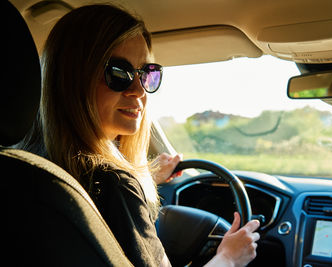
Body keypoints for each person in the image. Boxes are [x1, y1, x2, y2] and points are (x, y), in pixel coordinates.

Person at [19, 4, 260, 267]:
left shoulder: (23, 166)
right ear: (72, 78)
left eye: (146, 73)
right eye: (119, 73)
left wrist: (149, 176)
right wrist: (228, 258)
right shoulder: (113, 185)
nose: (139, 90)